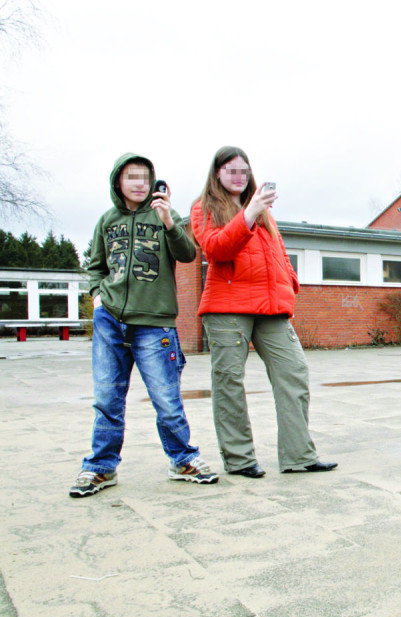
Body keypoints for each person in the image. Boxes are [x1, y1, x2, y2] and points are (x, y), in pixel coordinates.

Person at [71, 153, 218, 498]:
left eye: (144, 177)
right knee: (108, 398)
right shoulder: (107, 220)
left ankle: (182, 460)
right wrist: (96, 298)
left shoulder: (166, 215)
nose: (139, 183)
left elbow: (187, 255)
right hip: (110, 321)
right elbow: (96, 265)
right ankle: (100, 468)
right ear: (117, 182)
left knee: (166, 398)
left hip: (154, 325)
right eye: (131, 177)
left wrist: (168, 220)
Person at [190, 146, 336, 478]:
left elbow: (278, 252)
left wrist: (291, 284)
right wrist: (248, 215)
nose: (238, 176)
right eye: (231, 170)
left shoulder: (262, 212)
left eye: (243, 170)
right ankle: (240, 460)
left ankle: (298, 455)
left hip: (270, 307)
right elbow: (215, 249)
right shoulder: (204, 208)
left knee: (293, 372)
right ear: (217, 174)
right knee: (229, 382)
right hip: (227, 307)